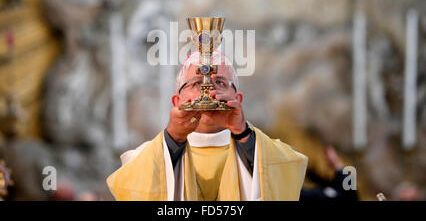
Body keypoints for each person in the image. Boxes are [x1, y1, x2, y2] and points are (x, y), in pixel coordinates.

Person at [106, 51, 308, 201]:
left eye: (220, 82)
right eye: (196, 83)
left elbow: (287, 175)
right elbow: (130, 187)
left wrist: (243, 134)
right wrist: (173, 139)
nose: (209, 89)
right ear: (177, 101)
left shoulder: (270, 153)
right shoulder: (142, 159)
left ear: (237, 98)